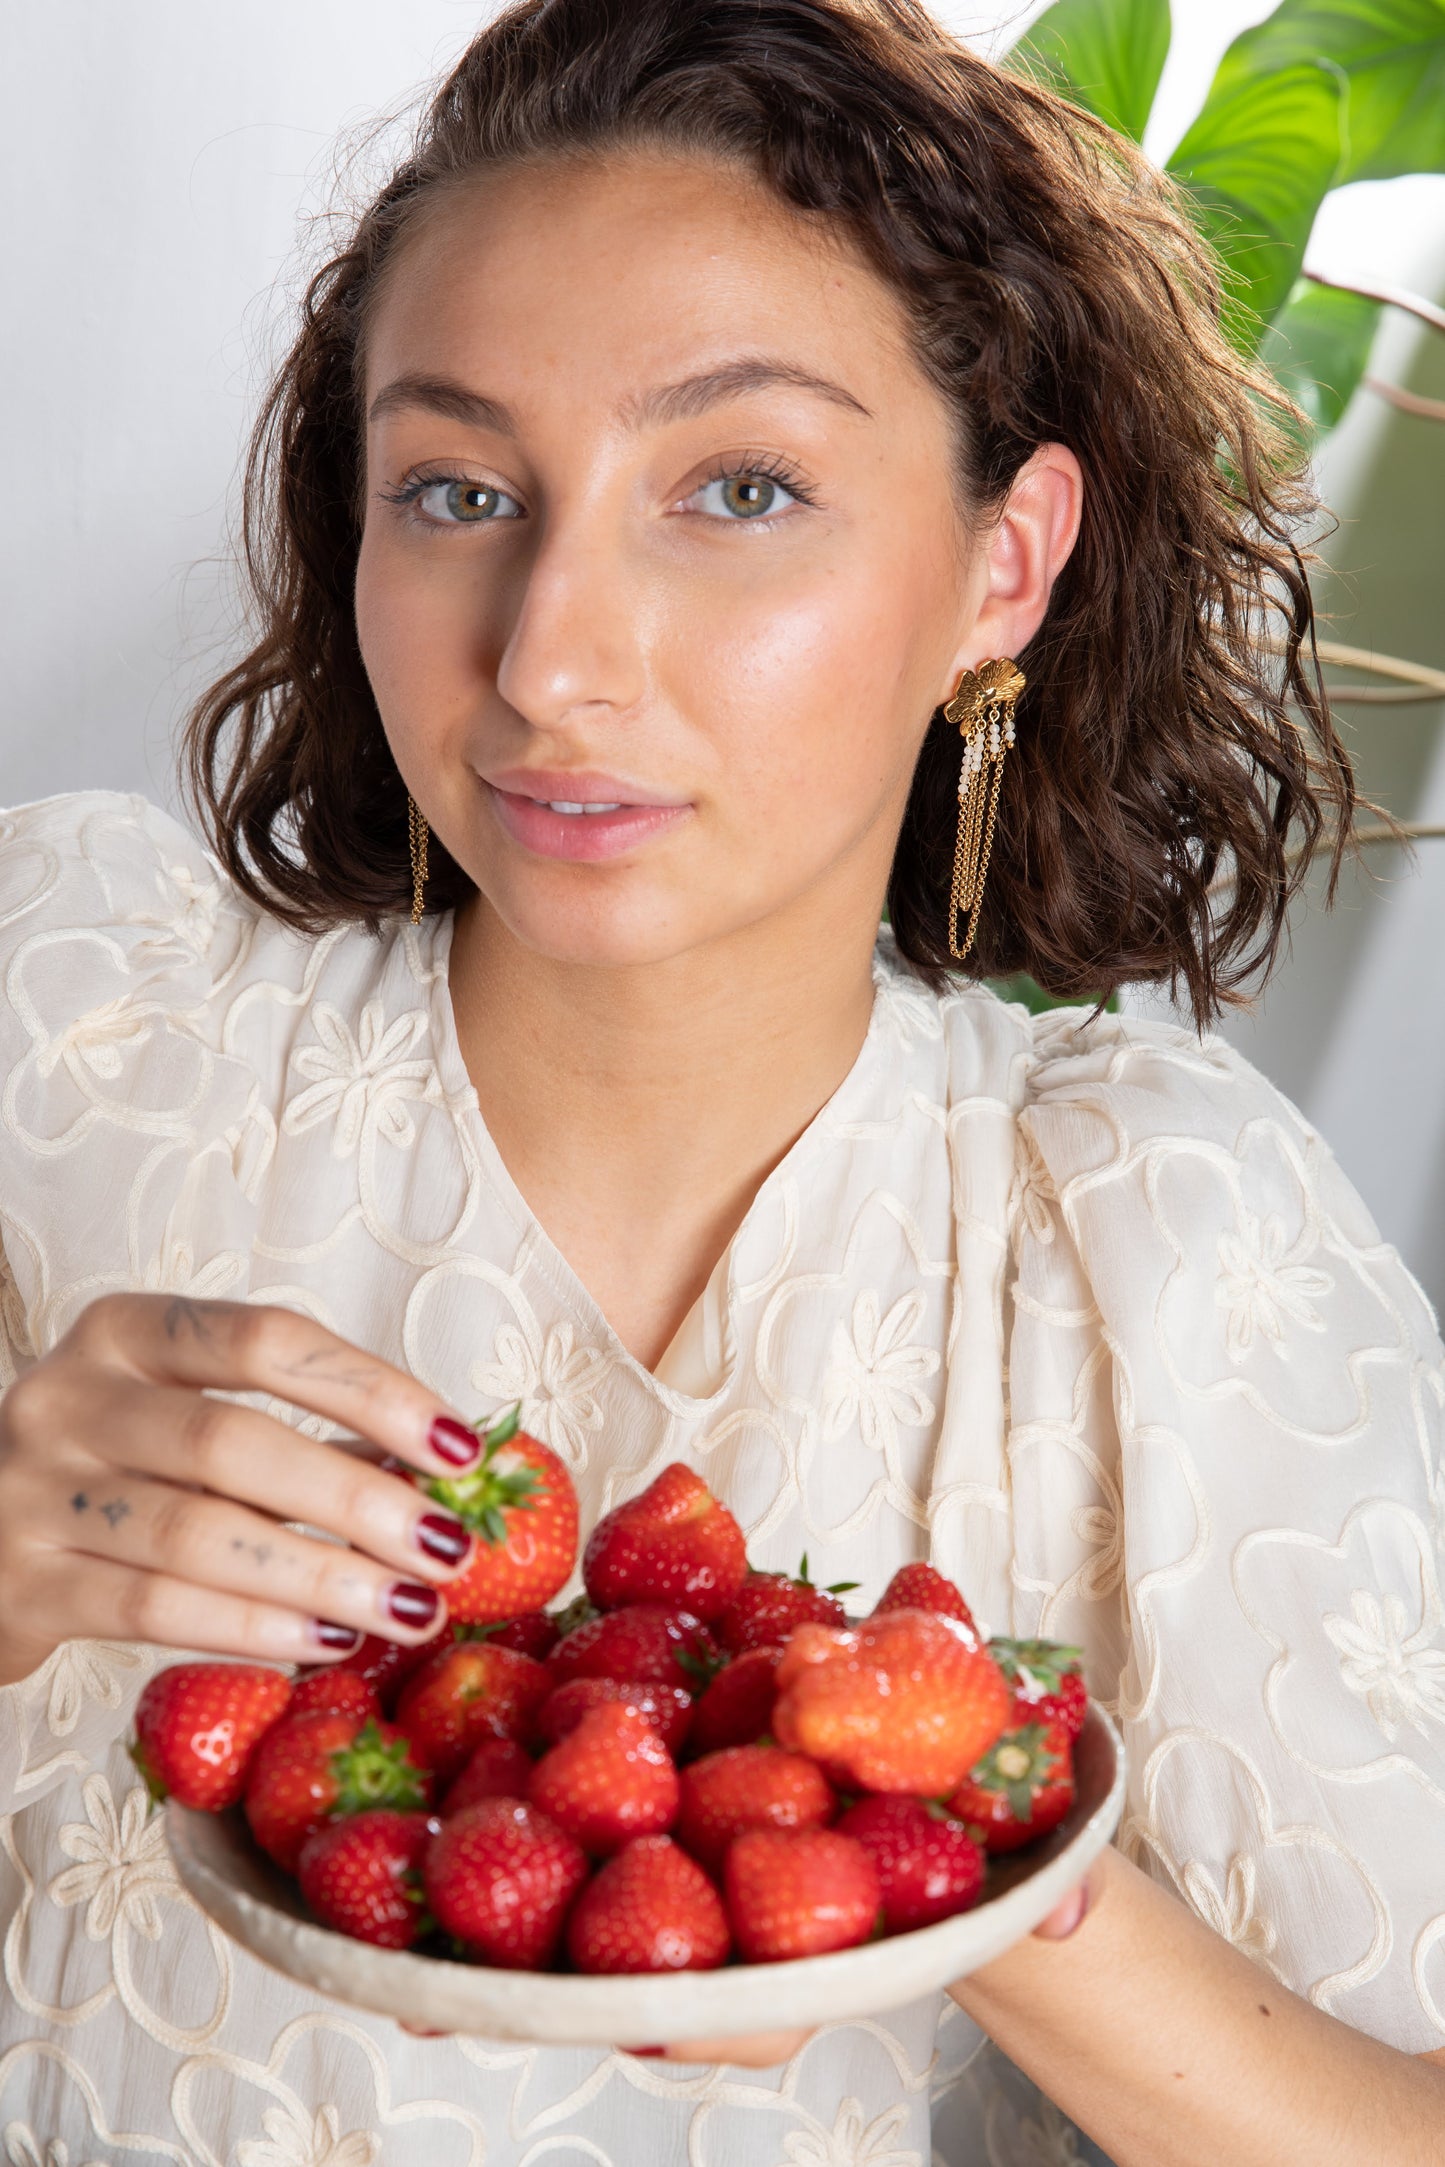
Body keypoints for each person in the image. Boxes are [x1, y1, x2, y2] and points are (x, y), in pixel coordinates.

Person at [0, 0, 1441, 2159]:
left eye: (740, 488)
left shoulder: (1157, 1244)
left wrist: (972, 1874)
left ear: (1003, 566)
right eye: (458, 490)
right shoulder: (70, 1016)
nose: (551, 656)